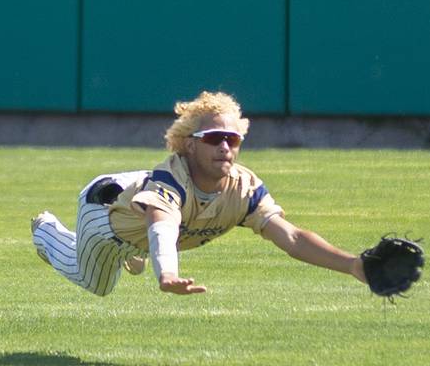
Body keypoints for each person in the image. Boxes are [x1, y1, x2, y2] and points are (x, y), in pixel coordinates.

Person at [31, 91, 366, 296]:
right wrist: (168, 274)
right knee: (97, 285)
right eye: (213, 138)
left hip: (141, 205)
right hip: (104, 212)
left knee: (146, 236)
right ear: (190, 144)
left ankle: (136, 254)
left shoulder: (243, 187)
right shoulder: (172, 180)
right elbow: (162, 225)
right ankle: (47, 232)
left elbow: (292, 237)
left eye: (231, 139)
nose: (224, 146)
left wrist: (352, 265)